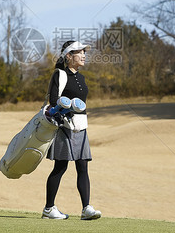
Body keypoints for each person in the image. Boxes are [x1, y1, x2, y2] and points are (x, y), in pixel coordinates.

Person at [42, 40, 102, 220]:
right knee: (60, 167)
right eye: (80, 52)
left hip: (81, 126)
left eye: (84, 52)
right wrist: (61, 116)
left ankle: (86, 209)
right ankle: (49, 209)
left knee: (83, 166)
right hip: (64, 127)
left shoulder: (81, 78)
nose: (84, 55)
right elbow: (54, 100)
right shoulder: (59, 74)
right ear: (69, 56)